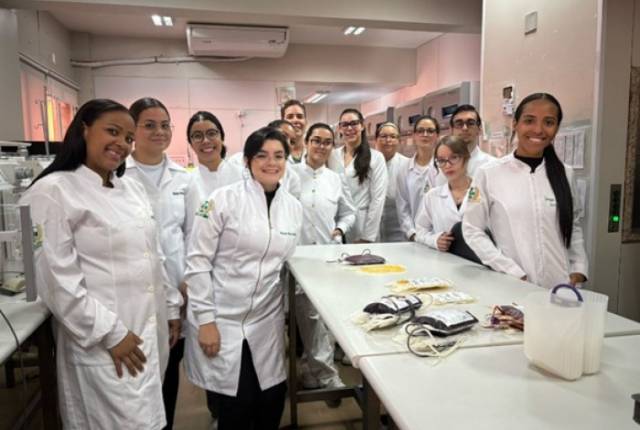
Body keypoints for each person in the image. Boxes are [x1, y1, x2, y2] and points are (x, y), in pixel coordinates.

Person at [20, 99, 181, 429]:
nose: (122, 143)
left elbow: (153, 255)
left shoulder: (130, 188)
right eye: (112, 131)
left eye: (128, 138)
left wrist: (170, 306)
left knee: (150, 420)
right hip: (104, 343)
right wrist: (111, 333)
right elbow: (55, 282)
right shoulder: (51, 192)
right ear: (84, 129)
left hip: (146, 333)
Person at [184, 127, 302, 430]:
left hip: (266, 320)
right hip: (223, 317)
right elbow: (197, 262)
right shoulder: (222, 200)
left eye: (279, 156)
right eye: (262, 155)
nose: (271, 163)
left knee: (272, 401)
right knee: (237, 406)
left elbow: (286, 263)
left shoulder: (293, 208)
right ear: (248, 161)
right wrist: (206, 320)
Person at [462, 93, 588, 288]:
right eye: (529, 120)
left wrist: (579, 268)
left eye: (548, 122)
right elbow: (471, 228)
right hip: (514, 284)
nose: (538, 129)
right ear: (515, 124)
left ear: (556, 128)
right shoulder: (489, 173)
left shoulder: (565, 173)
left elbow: (573, 224)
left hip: (562, 286)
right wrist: (509, 269)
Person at [126, 97, 200, 430]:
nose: (160, 131)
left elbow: (194, 234)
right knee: (139, 368)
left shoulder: (185, 179)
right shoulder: (119, 175)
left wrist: (189, 281)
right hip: (137, 289)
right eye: (150, 125)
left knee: (171, 364)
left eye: (165, 125)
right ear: (133, 130)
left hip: (179, 287)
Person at [291, 123, 354, 391]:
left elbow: (349, 212)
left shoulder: (335, 179)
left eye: (327, 142)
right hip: (298, 257)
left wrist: (340, 229)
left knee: (325, 318)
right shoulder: (290, 175)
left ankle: (311, 370)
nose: (321, 146)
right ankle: (328, 376)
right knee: (310, 318)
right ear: (306, 142)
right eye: (316, 140)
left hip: (328, 256)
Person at [328, 108, 388, 243]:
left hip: (363, 224)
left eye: (354, 123)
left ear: (362, 126)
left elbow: (378, 199)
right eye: (345, 124)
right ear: (339, 129)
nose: (349, 128)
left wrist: (367, 236)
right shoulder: (332, 156)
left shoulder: (376, 158)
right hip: (337, 225)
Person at [415, 135, 471, 251]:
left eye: (454, 158)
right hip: (445, 259)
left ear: (466, 158)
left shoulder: (483, 192)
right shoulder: (432, 196)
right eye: (441, 161)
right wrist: (435, 240)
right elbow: (420, 231)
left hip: (478, 259)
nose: (447, 165)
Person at [395, 115, 440, 241]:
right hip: (413, 237)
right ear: (414, 135)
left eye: (430, 131)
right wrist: (412, 233)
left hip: (440, 236)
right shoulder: (404, 169)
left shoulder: (444, 167)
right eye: (420, 131)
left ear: (437, 135)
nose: (425, 134)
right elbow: (402, 206)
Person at [434, 104, 495, 186]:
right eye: (459, 124)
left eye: (470, 123)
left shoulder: (491, 165)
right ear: (451, 130)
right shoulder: (438, 166)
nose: (465, 128)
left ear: (479, 129)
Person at [187, 111, 243, 198]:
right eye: (197, 136)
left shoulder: (243, 176)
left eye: (211, 133)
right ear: (191, 144)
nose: (205, 141)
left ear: (222, 138)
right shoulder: (186, 182)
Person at [375, 122, 409, 242]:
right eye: (383, 136)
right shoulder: (367, 163)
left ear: (399, 141)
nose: (388, 140)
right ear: (376, 140)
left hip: (399, 231)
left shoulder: (407, 165)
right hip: (372, 231)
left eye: (393, 137)